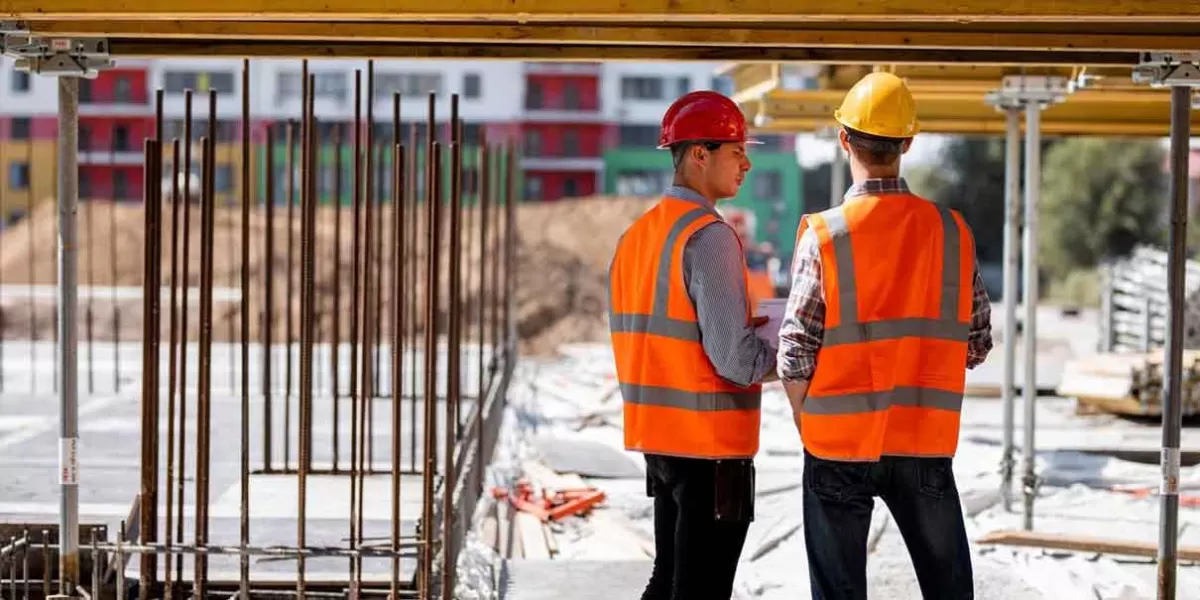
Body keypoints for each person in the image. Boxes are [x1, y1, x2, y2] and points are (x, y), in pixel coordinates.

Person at [775, 72, 994, 600]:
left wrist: (811, 424)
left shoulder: (826, 235)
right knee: (949, 590)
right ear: (909, 144)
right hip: (924, 440)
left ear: (844, 139)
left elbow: (795, 353)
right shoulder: (950, 231)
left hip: (838, 445)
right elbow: (978, 342)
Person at [607, 90, 777, 600]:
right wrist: (794, 351)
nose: (747, 162)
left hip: (659, 441)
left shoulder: (638, 235)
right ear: (699, 154)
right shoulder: (709, 236)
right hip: (711, 448)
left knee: (669, 582)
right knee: (699, 589)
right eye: (735, 150)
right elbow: (735, 359)